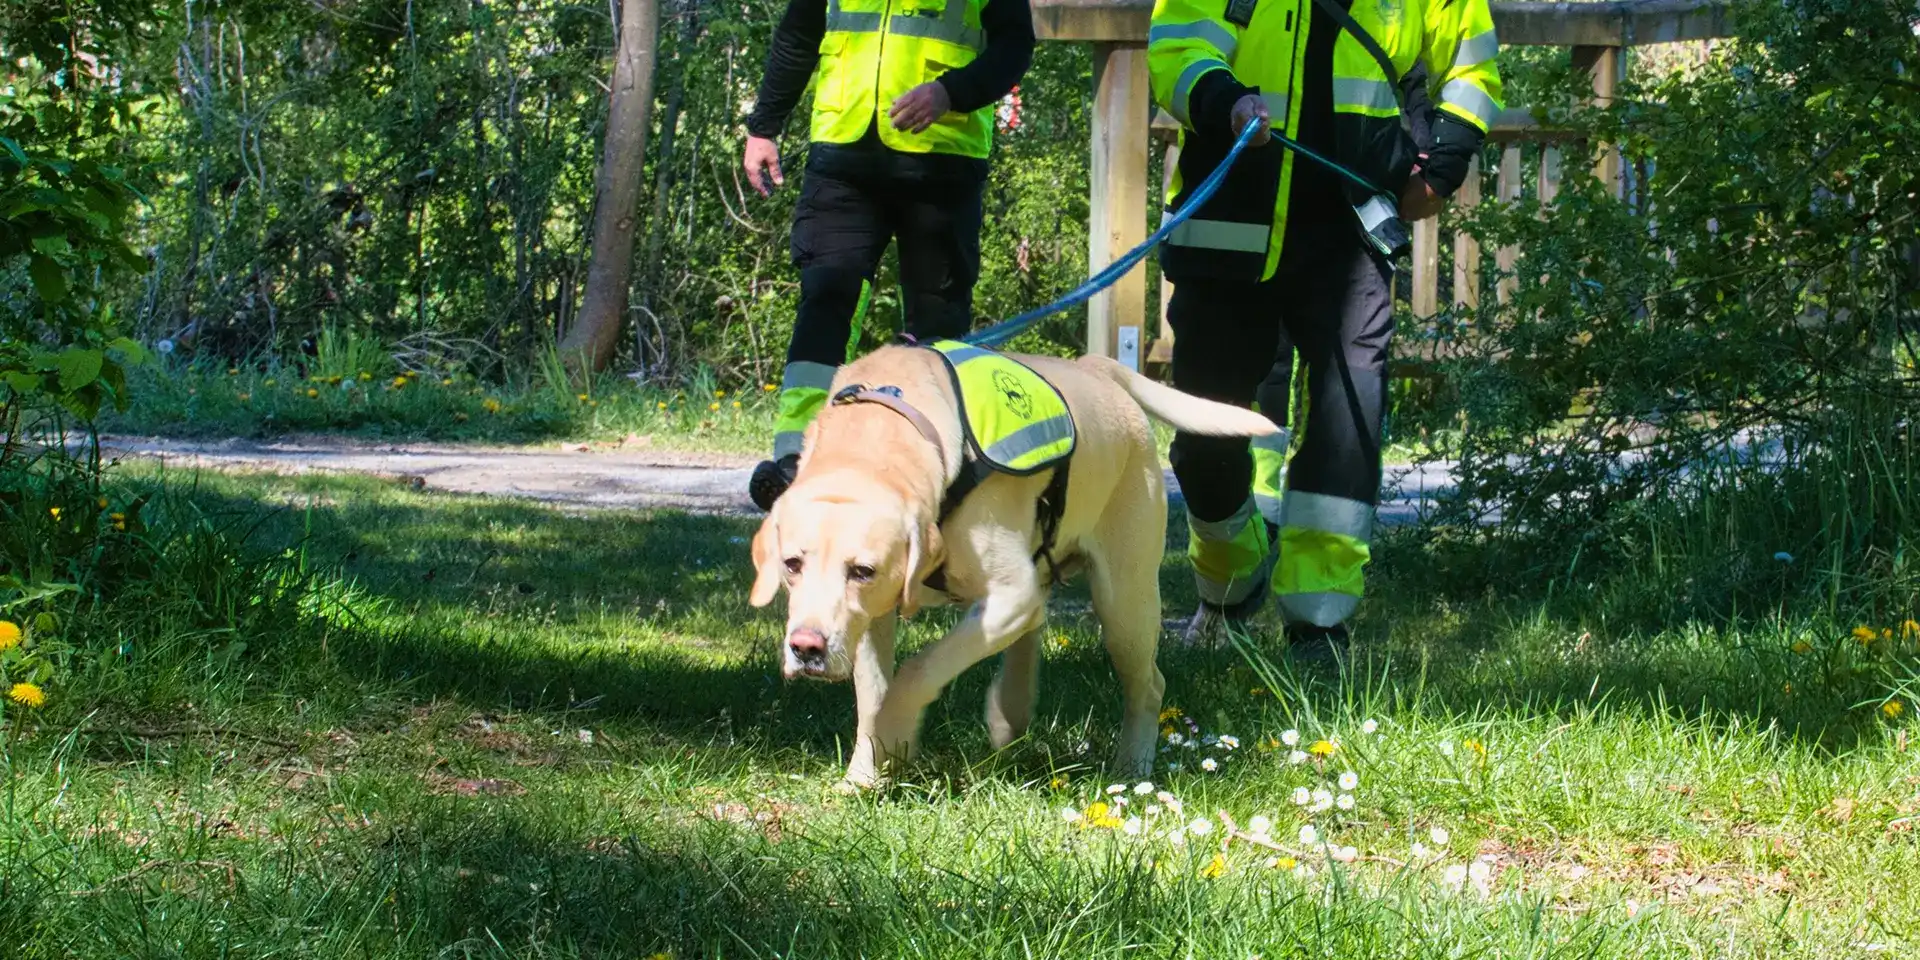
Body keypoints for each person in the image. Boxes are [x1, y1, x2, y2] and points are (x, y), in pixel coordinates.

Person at [1146, 0, 1502, 647]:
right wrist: (1224, 101)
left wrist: (1445, 163)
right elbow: (1177, 43)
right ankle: (1228, 581)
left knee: (1349, 414)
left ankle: (1320, 622)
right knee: (1203, 432)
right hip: (1229, 219)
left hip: (1351, 221)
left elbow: (1472, 61)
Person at [741, 0, 1035, 511]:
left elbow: (1014, 46)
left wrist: (951, 93)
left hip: (941, 159)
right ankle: (796, 460)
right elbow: (799, 32)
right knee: (825, 300)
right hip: (842, 153)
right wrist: (764, 126)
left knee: (936, 322)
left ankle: (934, 466)